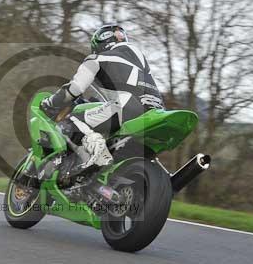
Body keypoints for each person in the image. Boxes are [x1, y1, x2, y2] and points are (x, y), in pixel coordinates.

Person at [40, 24, 164, 168]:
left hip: (127, 108)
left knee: (69, 123)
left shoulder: (96, 58)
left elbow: (75, 88)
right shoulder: (138, 59)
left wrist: (51, 102)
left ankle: (98, 155)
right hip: (155, 109)